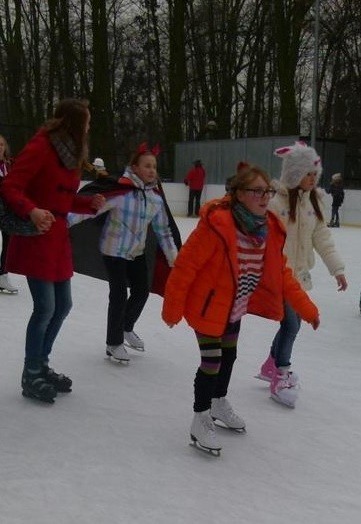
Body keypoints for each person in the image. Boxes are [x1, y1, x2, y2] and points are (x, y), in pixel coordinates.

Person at [162, 163, 320, 454]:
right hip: (207, 308)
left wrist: (306, 308)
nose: (264, 196)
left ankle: (218, 402)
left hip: (233, 308)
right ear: (238, 194)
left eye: (267, 191)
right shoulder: (217, 225)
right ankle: (200, 417)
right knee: (212, 362)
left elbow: (281, 274)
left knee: (229, 356)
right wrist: (172, 307)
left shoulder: (266, 230)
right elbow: (186, 266)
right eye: (256, 191)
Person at [0, 98, 105, 403]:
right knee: (45, 307)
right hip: (38, 236)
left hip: (57, 238)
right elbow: (9, 187)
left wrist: (87, 203)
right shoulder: (42, 146)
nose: (89, 127)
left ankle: (41, 364)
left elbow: (61, 198)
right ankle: (31, 373)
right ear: (72, 123)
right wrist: (31, 211)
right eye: (86, 121)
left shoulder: (70, 154)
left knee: (63, 306)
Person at [256, 142, 347, 406]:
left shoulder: (313, 203)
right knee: (292, 324)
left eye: (314, 174)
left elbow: (322, 237)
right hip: (279, 274)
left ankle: (270, 365)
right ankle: (281, 371)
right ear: (294, 173)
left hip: (300, 276)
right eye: (308, 173)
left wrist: (337, 268)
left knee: (288, 323)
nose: (312, 178)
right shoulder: (275, 203)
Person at [69, 143, 178, 362]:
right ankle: (113, 343)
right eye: (147, 166)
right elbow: (90, 210)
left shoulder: (155, 199)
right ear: (134, 167)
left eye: (154, 167)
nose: (151, 170)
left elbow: (164, 231)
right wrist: (61, 221)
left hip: (135, 252)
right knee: (118, 295)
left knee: (141, 291)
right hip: (113, 251)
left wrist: (174, 259)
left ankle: (126, 327)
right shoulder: (121, 193)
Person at [0, 134, 18, 294]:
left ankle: (3, 275)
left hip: (6, 210)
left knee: (8, 239)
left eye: (1, 145)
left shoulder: (10, 165)